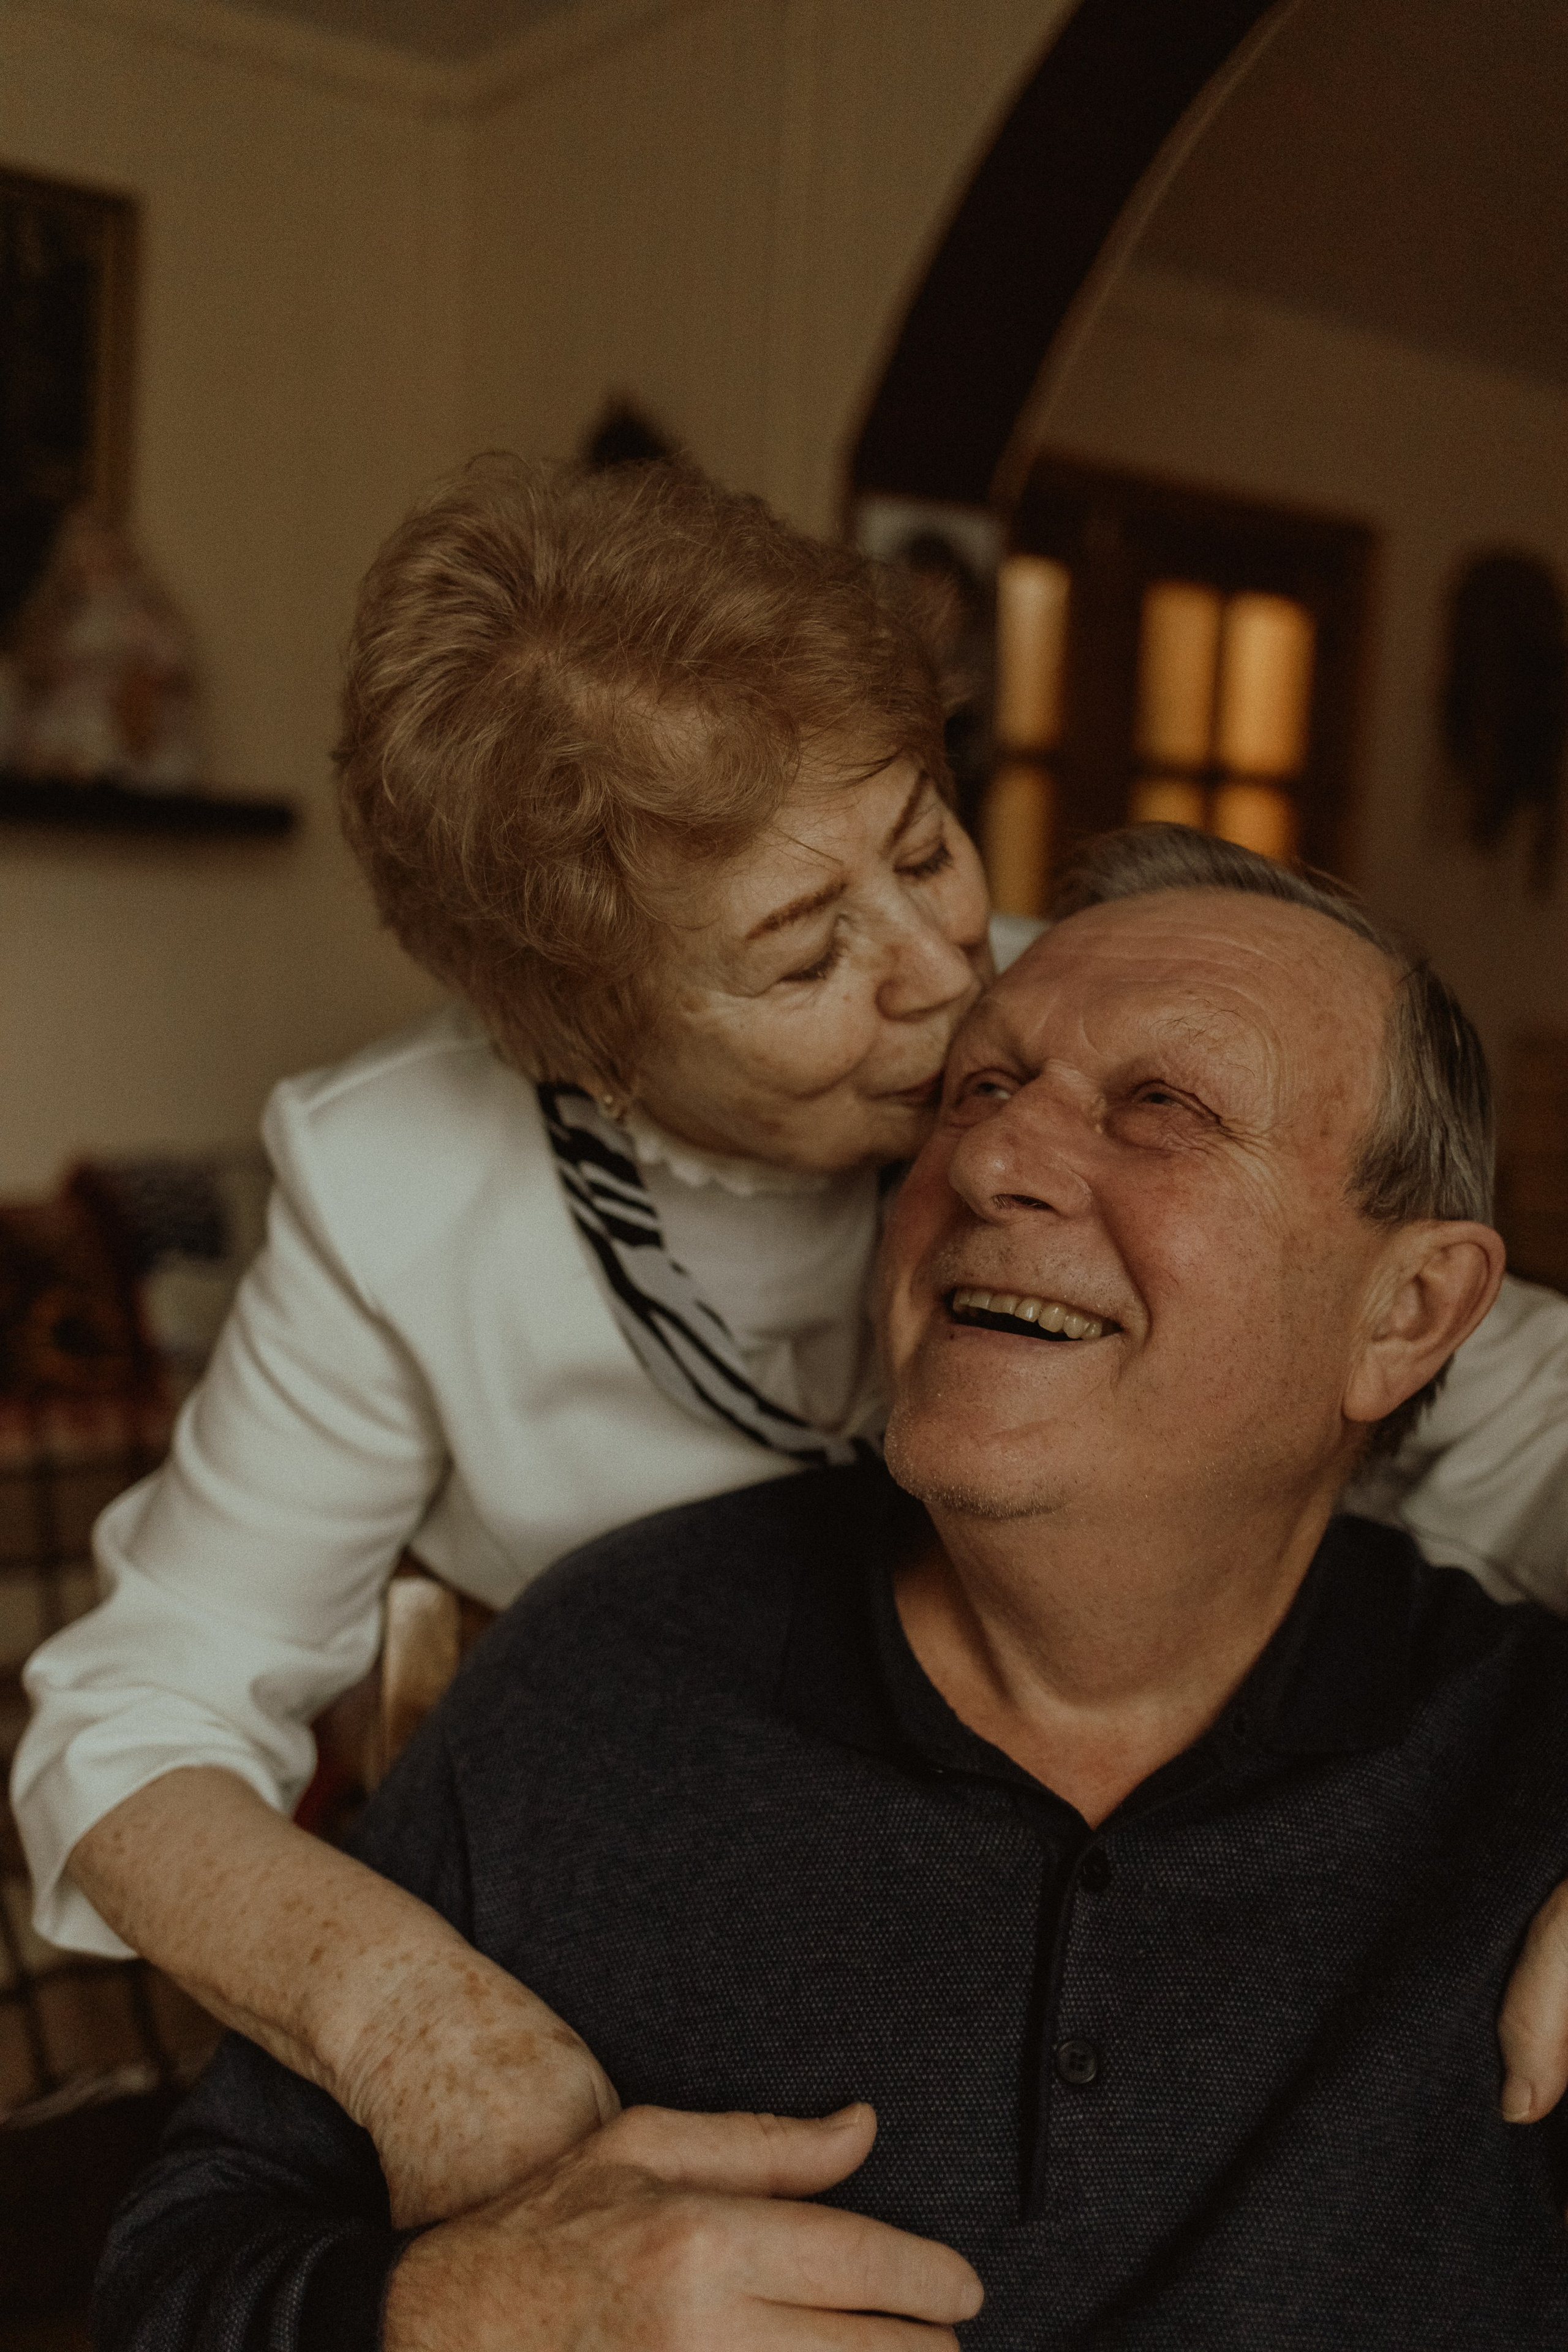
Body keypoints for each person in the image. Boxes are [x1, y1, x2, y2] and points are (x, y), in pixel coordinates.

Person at [13, 460, 1568, 2218]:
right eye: (803, 957)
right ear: (583, 1044)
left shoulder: (1076, 1031)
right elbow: (134, 1726)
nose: (944, 975)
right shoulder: (402, 1190)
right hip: (711, 1940)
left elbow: (1490, 1377)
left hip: (1190, 1918)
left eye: (926, 845)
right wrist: (423, 2030)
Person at [93, 831, 1568, 2350]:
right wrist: (471, 2312)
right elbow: (171, 2278)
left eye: (1161, 1109)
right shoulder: (605, 1676)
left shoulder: (1526, 1769)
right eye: (973, 1090)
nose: (985, 1161)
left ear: (1407, 1312)